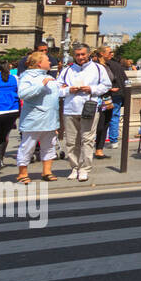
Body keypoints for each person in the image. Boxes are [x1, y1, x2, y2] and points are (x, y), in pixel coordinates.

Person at [57, 43, 112, 182]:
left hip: (89, 106)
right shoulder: (67, 70)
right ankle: (74, 167)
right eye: (77, 55)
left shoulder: (98, 68)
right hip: (70, 108)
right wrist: (68, 90)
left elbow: (106, 85)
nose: (80, 57)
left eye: (83, 54)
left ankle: (85, 168)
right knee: (71, 141)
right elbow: (57, 88)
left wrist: (92, 89)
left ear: (88, 54)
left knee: (87, 139)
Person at [16, 51, 67, 183]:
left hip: (50, 118)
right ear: (39, 63)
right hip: (34, 118)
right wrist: (41, 84)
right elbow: (23, 94)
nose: (50, 62)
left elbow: (56, 93)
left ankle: (47, 171)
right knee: (28, 146)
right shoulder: (27, 76)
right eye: (47, 60)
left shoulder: (48, 77)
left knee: (50, 145)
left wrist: (69, 90)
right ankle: (22, 173)